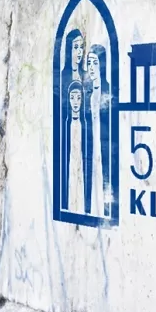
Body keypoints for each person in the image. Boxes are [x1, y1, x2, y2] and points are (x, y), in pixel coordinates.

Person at [86, 44, 113, 215]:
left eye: (95, 63)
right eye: (89, 63)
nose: (91, 68)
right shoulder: (87, 93)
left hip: (104, 147)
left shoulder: (108, 92)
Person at [63, 81, 85, 214]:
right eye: (72, 98)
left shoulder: (83, 124)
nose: (75, 102)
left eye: (78, 98)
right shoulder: (67, 124)